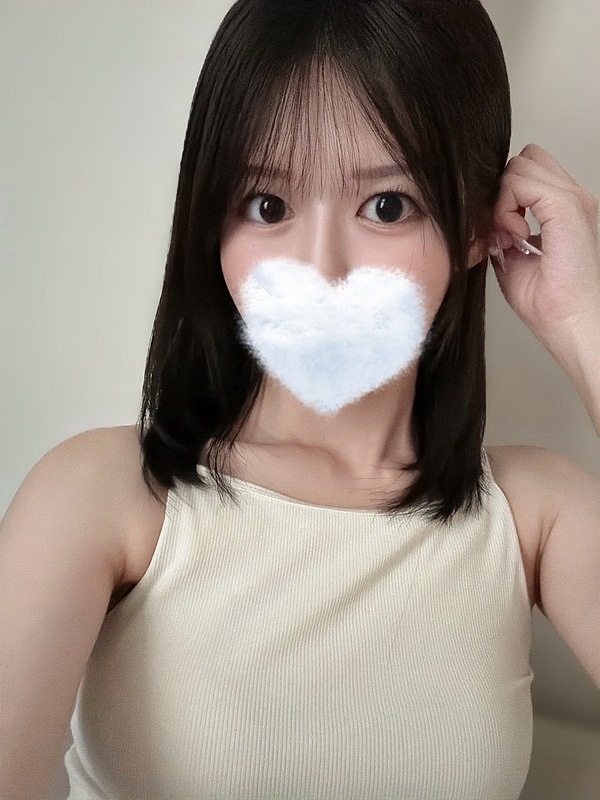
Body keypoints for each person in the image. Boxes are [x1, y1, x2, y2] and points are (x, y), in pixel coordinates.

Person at [1, 0, 599, 798]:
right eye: (267, 206)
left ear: (473, 226)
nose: (321, 265)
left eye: (388, 205)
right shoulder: (103, 493)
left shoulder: (534, 513)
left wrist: (582, 323)